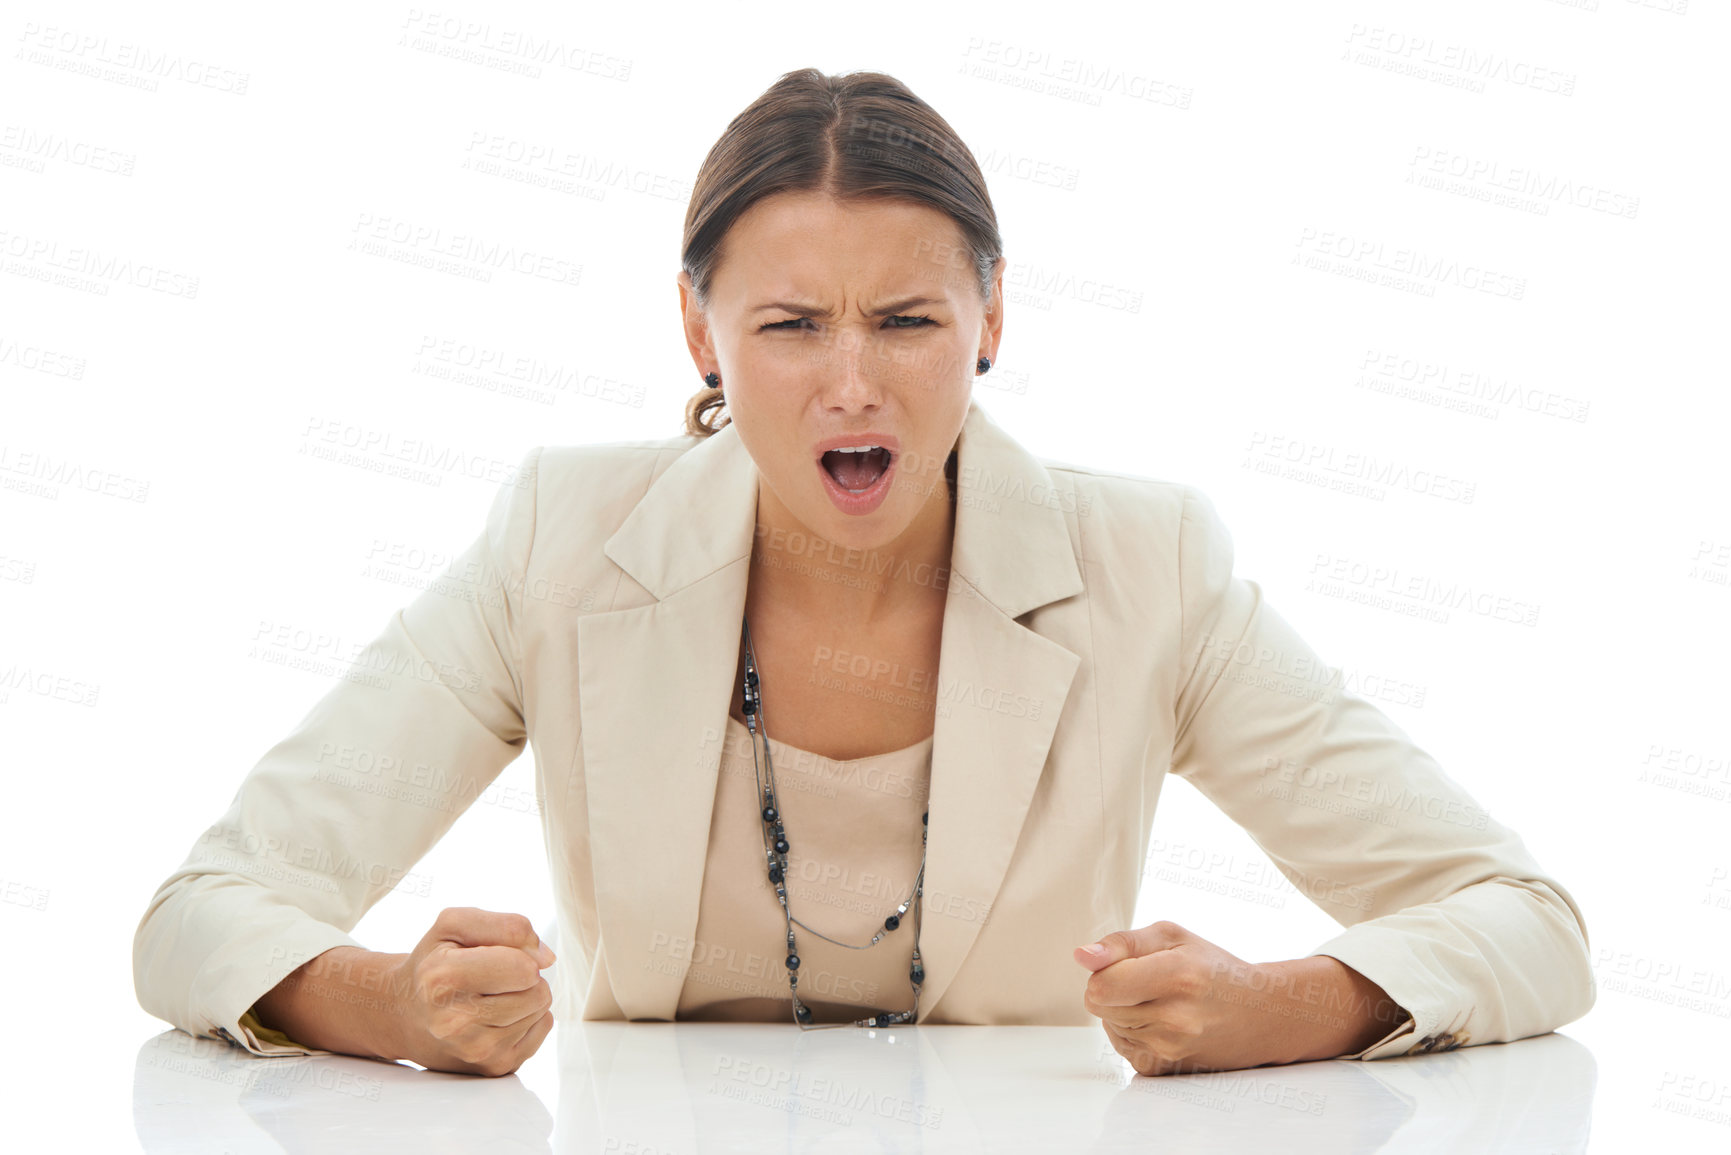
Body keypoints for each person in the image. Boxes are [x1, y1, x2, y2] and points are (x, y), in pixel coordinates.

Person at [133, 68, 1595, 1079]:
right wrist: (386, 1001)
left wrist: (1289, 1007)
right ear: (700, 337)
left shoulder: (1149, 570)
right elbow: (202, 911)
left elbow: (1525, 922)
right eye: (787, 328)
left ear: (993, 320)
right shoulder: (562, 543)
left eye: (905, 320)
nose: (853, 388)